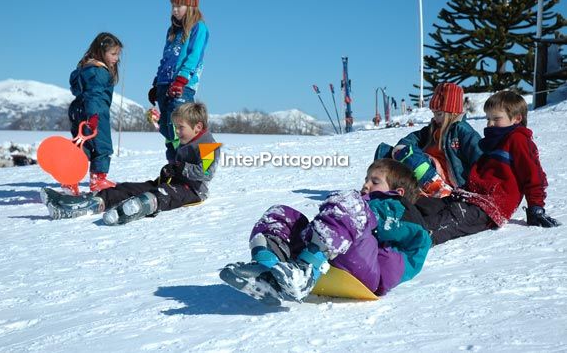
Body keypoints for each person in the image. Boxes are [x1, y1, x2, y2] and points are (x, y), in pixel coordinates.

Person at [220, 159, 431, 304]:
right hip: (333, 255)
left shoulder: (400, 213)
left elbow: (413, 242)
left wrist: (365, 211)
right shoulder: (362, 207)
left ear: (397, 192)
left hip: (367, 271)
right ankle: (267, 268)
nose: (366, 185)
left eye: (375, 182)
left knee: (350, 202)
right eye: (366, 179)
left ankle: (304, 271)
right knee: (281, 214)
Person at [417, 90, 561, 246]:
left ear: (517, 119)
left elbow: (533, 175)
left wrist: (536, 207)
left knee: (451, 217)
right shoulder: (493, 141)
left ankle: (411, 239)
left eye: (496, 119)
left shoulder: (518, 140)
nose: (490, 124)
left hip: (493, 206)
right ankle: (396, 220)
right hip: (473, 196)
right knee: (429, 205)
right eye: (488, 118)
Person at [42, 102, 219, 225]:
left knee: (162, 193)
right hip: (174, 183)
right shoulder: (188, 139)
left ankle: (134, 208)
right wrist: (170, 170)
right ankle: (85, 203)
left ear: (197, 126)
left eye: (181, 127)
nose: (177, 131)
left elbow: (206, 173)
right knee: (129, 187)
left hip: (193, 192)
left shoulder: (208, 145)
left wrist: (181, 168)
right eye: (176, 127)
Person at [375, 83, 483, 197]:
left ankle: (438, 188)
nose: (435, 118)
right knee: (384, 152)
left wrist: (478, 186)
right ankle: (382, 187)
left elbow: (480, 157)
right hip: (424, 174)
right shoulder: (432, 129)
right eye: (434, 113)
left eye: (439, 114)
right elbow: (414, 138)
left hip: (446, 182)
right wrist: (401, 148)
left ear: (453, 113)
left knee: (410, 155)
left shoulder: (462, 131)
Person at [148, 0, 209, 163]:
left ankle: (191, 171)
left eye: (179, 6)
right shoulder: (173, 30)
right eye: (173, 5)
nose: (175, 10)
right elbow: (166, 58)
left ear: (190, 6)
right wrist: (156, 83)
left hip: (182, 86)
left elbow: (194, 56)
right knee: (168, 132)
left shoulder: (199, 28)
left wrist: (181, 80)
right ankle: (174, 170)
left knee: (181, 130)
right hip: (165, 85)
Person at [67, 32, 123, 195]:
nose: (116, 58)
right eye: (113, 54)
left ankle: (70, 179)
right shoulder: (99, 72)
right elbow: (94, 96)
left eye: (118, 54)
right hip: (94, 112)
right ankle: (98, 179)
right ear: (101, 52)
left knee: (81, 146)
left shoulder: (85, 69)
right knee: (102, 145)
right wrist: (94, 117)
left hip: (79, 111)